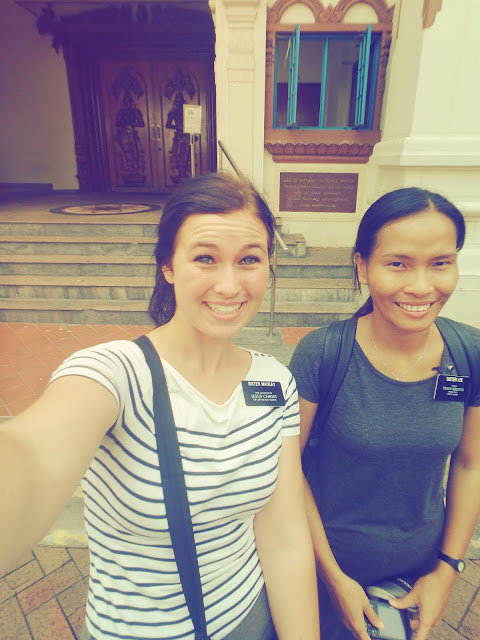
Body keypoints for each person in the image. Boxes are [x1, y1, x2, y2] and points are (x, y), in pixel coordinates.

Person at [0, 173, 319, 640]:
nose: (229, 285)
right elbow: (31, 456)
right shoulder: (114, 373)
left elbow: (284, 538)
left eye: (249, 259)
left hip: (252, 620)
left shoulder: (274, 382)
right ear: (168, 265)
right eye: (205, 258)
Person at [289, 187, 480, 640]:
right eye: (398, 264)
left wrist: (447, 569)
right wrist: (333, 578)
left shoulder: (469, 351)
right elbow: (287, 471)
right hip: (323, 568)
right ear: (362, 266)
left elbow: (470, 464)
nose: (421, 286)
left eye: (440, 263)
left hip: (418, 573)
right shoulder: (323, 354)